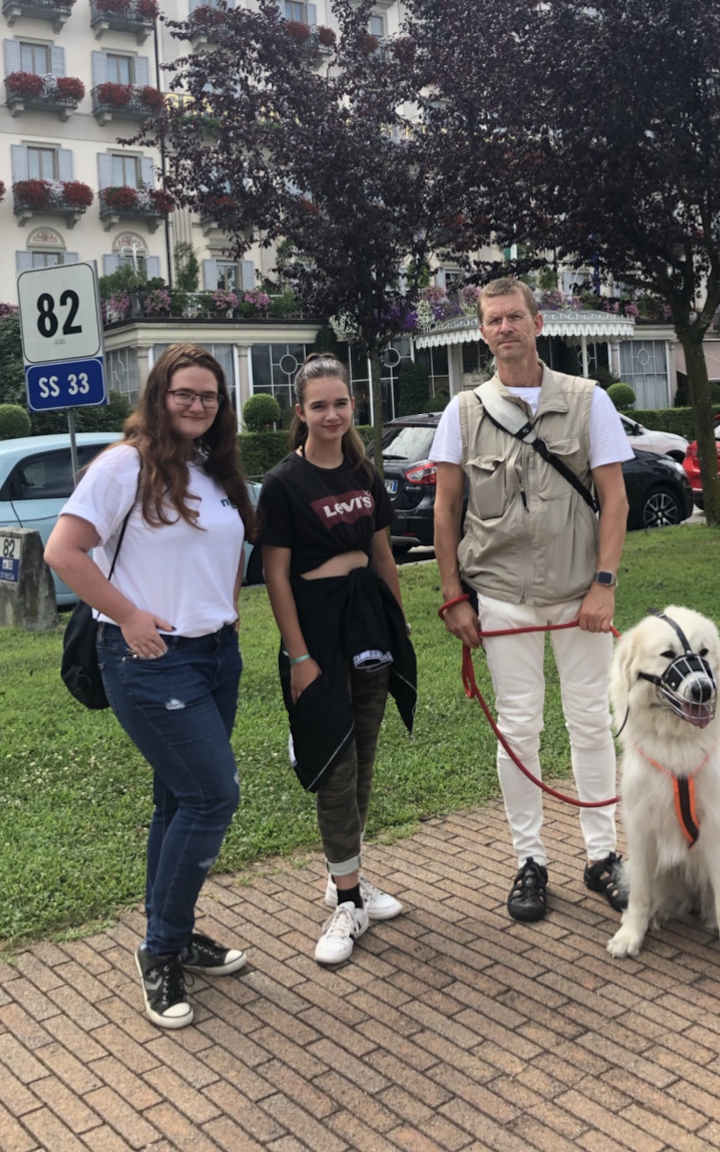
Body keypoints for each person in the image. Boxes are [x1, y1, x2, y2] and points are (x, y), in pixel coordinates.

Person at [45, 343, 255, 1029]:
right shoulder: (123, 466)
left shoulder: (213, 470)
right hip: (149, 659)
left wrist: (223, 615)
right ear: (159, 395)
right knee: (212, 793)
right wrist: (129, 613)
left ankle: (175, 929)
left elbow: (226, 555)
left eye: (209, 396)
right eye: (184, 393)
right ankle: (160, 949)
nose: (198, 405)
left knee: (177, 801)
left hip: (215, 656)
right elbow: (63, 550)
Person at [432, 277, 633, 922]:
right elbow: (445, 511)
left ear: (537, 322)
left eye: (515, 316)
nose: (505, 328)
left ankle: (604, 856)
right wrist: (452, 597)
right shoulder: (462, 412)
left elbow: (615, 500)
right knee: (519, 727)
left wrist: (604, 584)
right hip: (501, 598)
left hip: (579, 596)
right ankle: (531, 860)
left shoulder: (587, 400)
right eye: (493, 320)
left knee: (590, 722)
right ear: (482, 330)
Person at [259, 354, 416, 967]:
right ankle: (346, 900)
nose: (331, 414)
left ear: (354, 407)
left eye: (341, 404)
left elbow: (382, 555)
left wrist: (397, 623)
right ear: (300, 413)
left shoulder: (362, 470)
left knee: (366, 756)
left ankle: (343, 878)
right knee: (335, 763)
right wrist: (298, 656)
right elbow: (274, 576)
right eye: (318, 405)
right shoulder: (283, 483)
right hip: (316, 628)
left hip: (367, 621)